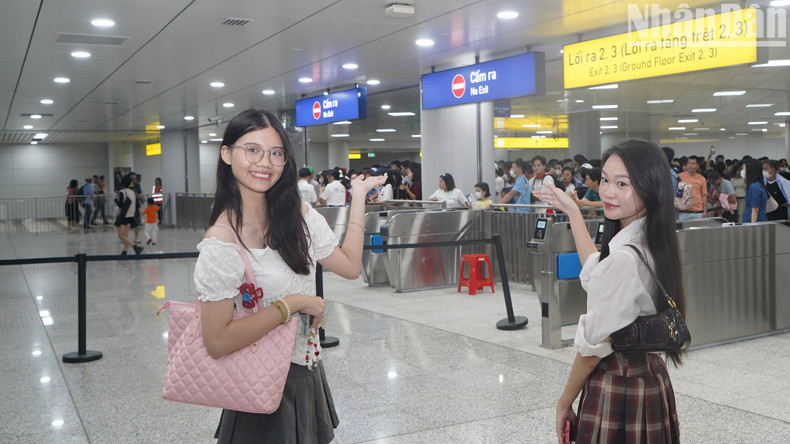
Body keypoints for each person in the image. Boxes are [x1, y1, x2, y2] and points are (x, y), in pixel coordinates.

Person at [193, 109, 385, 443]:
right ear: (227, 154)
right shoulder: (221, 240)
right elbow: (217, 341)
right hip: (261, 382)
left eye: (276, 153)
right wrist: (293, 303)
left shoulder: (299, 216)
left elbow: (351, 266)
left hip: (306, 369)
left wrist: (357, 197)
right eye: (252, 149)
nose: (264, 162)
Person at [535, 139, 684, 444]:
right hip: (649, 376)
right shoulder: (649, 240)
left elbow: (592, 348)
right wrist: (573, 211)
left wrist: (564, 402)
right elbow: (596, 269)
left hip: (619, 384)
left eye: (622, 183)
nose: (608, 191)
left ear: (650, 186)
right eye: (605, 179)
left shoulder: (625, 258)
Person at [114, 175, 143, 255]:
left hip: (123, 216)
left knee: (121, 235)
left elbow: (120, 205)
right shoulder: (132, 192)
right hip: (131, 215)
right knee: (125, 235)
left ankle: (135, 246)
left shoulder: (122, 192)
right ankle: (124, 251)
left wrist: (115, 200)